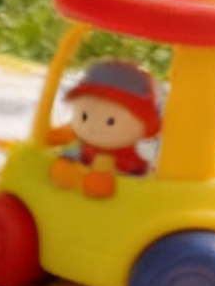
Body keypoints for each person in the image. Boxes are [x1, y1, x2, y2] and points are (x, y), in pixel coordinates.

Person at [48, 59, 161, 197]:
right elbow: (69, 153)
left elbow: (142, 185)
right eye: (84, 117)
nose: (93, 128)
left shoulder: (135, 161)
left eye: (110, 122)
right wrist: (66, 168)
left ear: (146, 125)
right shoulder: (81, 147)